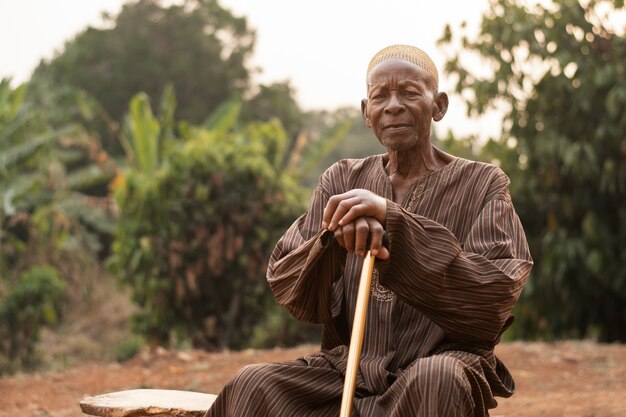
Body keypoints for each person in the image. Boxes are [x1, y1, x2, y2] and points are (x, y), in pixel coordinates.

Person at [205, 44, 533, 417]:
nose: (393, 106)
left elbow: (494, 295)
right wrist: (334, 237)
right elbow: (289, 284)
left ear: (438, 105)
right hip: (348, 370)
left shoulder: (483, 183)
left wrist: (394, 224)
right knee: (254, 386)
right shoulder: (341, 179)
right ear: (367, 112)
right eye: (380, 96)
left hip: (439, 364)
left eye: (410, 93)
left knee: (436, 379)